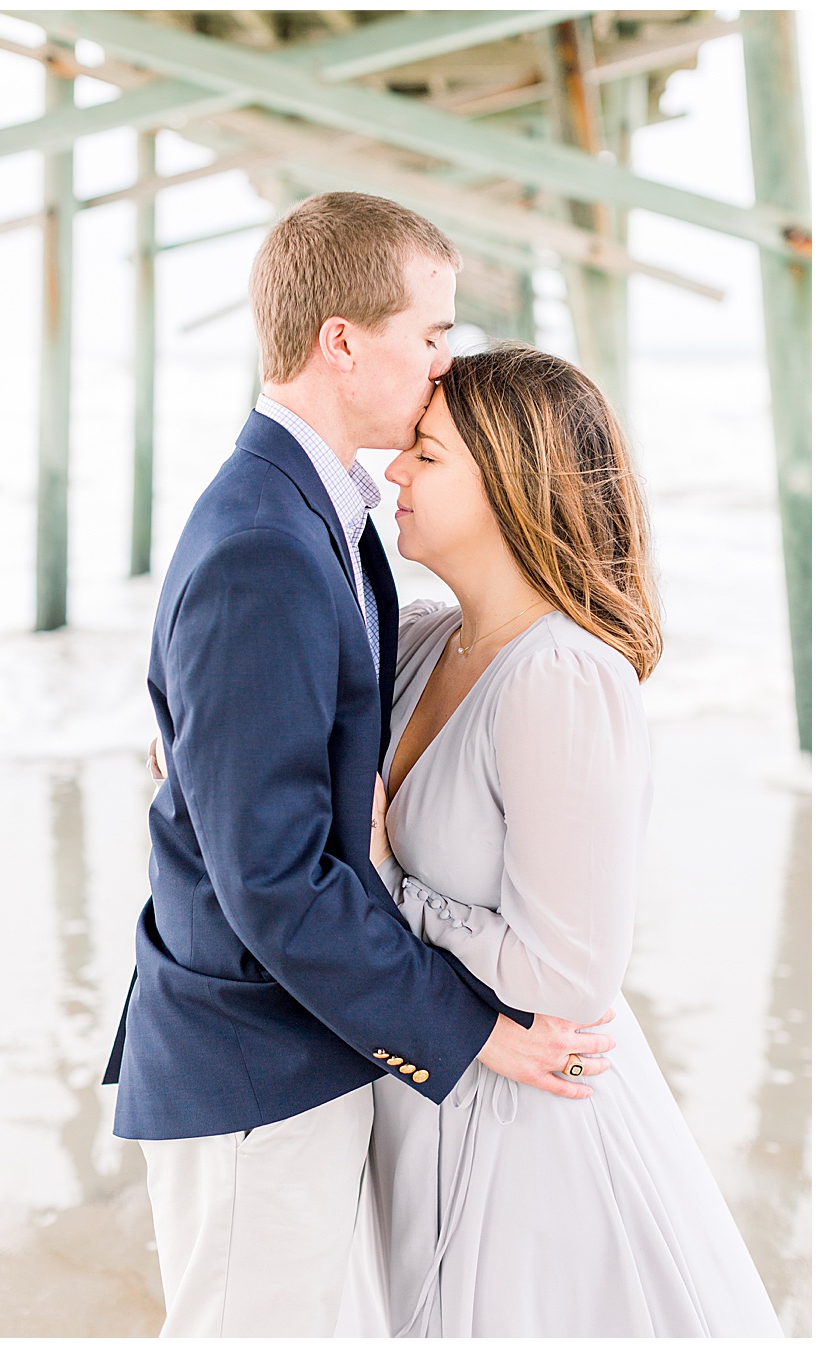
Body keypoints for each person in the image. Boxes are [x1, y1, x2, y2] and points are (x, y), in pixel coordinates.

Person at [102, 192, 617, 1338]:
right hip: (252, 1062)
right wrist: (479, 1033)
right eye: (431, 335)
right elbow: (275, 879)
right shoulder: (264, 544)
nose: (446, 367)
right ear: (344, 341)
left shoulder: (313, 513)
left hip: (291, 1046)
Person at [333, 344, 781, 1336]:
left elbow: (569, 972)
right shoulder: (418, 638)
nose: (393, 472)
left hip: (532, 1138)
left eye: (428, 457)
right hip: (434, 1096)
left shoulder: (563, 678)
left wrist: (388, 881)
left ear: (509, 488)